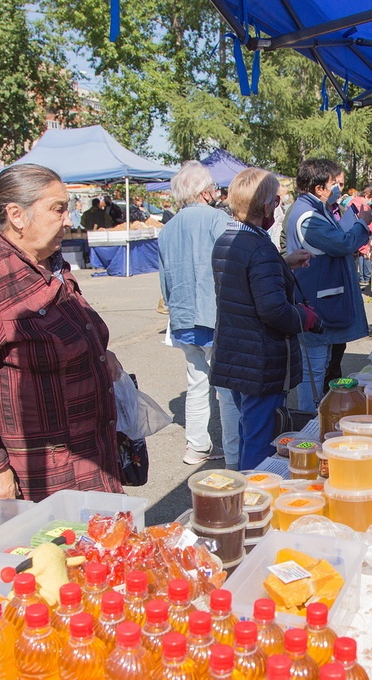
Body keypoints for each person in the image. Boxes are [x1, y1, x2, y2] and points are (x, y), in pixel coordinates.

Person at [0, 164, 124, 501]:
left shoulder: (50, 260)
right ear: (17, 215)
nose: (69, 219)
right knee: (49, 552)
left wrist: (97, 352)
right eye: (58, 208)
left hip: (88, 455)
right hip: (38, 472)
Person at [211, 168, 317, 469]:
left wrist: (282, 265)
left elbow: (243, 282)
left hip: (234, 354)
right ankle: (255, 504)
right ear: (268, 205)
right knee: (260, 442)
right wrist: (305, 317)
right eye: (277, 200)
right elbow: (273, 310)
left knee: (250, 431)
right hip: (259, 360)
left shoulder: (228, 240)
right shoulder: (259, 248)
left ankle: (247, 496)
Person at [157, 161, 239, 467]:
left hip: (182, 317)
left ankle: (197, 446)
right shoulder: (218, 219)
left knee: (197, 383)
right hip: (214, 314)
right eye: (213, 188)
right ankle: (235, 455)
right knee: (227, 390)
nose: (215, 192)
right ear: (205, 192)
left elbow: (164, 280)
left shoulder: (168, 229)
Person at [286, 159, 372, 413]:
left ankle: (313, 416)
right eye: (334, 183)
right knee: (313, 370)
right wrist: (362, 223)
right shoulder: (308, 215)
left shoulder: (314, 209)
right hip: (317, 302)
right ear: (318, 188)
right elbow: (342, 243)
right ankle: (309, 419)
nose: (337, 188)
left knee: (318, 367)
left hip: (320, 301)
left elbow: (336, 241)